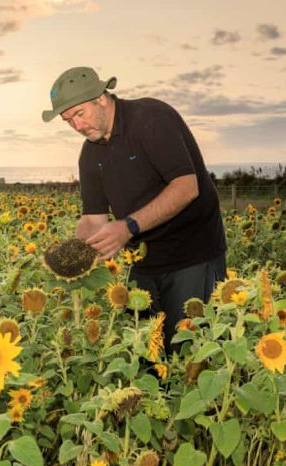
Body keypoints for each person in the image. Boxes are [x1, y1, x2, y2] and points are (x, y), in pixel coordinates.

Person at [42, 66, 226, 353]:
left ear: (101, 98)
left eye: (80, 114)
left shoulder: (151, 119)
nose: (77, 127)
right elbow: (94, 219)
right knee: (145, 353)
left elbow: (187, 187)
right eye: (68, 121)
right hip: (143, 260)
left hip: (192, 255)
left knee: (191, 350)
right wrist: (71, 258)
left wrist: (127, 227)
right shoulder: (90, 154)